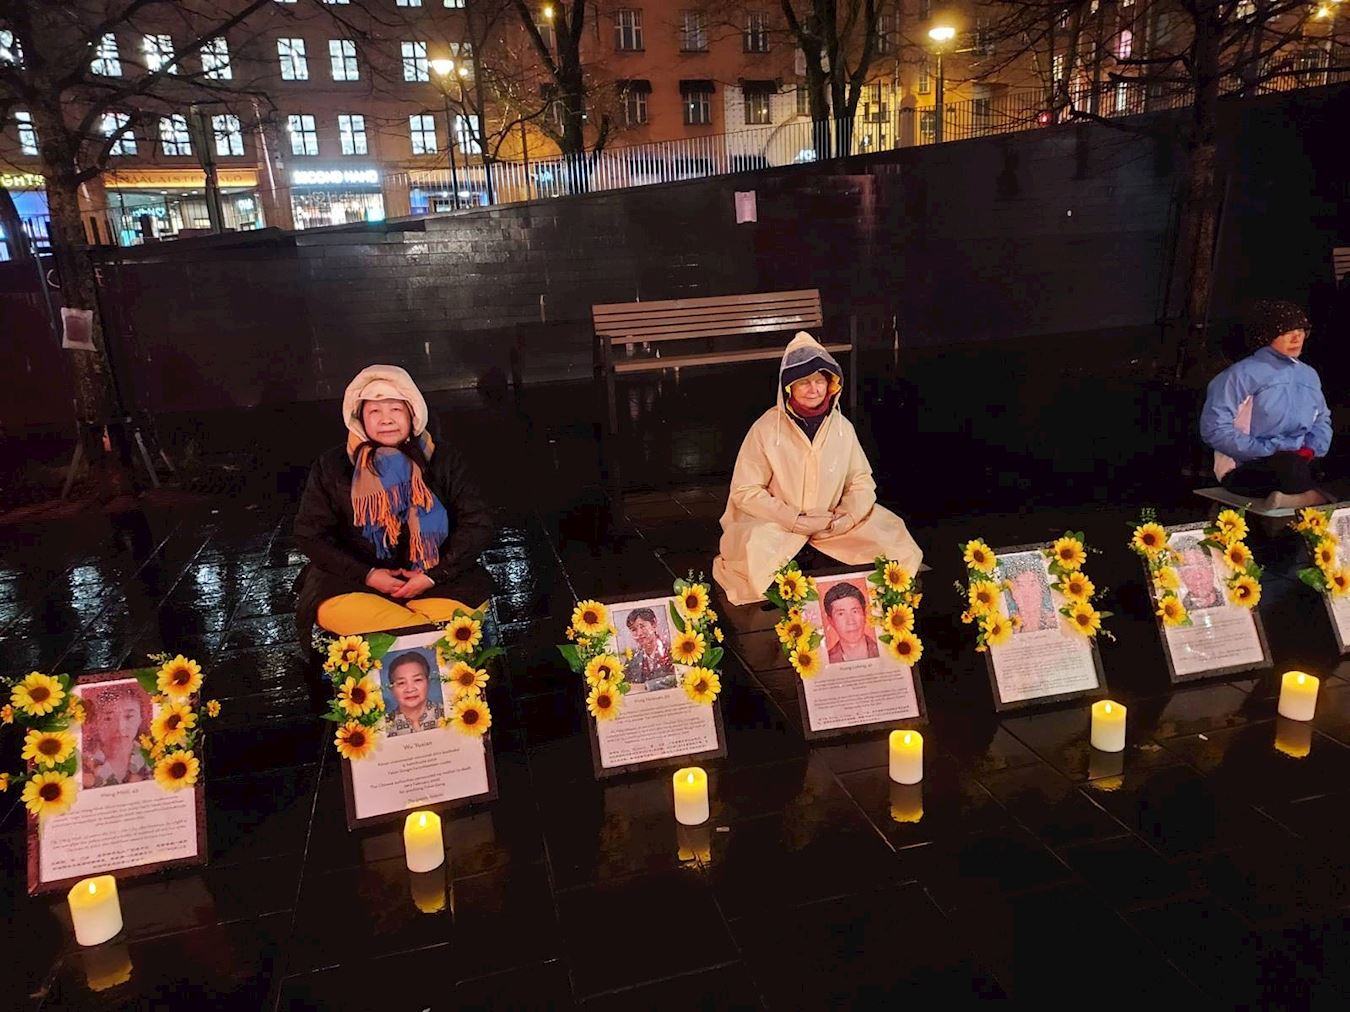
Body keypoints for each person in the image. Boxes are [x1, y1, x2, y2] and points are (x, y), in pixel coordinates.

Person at [713, 332, 923, 606]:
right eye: (804, 382)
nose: (813, 389)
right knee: (756, 548)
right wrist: (793, 519)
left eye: (819, 381)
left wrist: (846, 517)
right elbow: (746, 490)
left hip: (832, 524)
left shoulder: (842, 428)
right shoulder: (766, 429)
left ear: (831, 384)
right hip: (780, 525)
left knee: (894, 539)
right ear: (789, 387)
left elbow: (861, 482)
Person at [293, 365, 495, 640]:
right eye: (375, 411)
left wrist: (433, 575)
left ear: (413, 413)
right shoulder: (332, 465)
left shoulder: (444, 458)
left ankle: (403, 638)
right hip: (355, 581)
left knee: (459, 608)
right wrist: (369, 575)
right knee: (334, 609)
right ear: (359, 419)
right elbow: (311, 534)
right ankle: (434, 640)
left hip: (440, 579)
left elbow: (477, 524)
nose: (386, 420)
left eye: (396, 409)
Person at [1200, 300, 1332, 503]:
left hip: (1299, 462)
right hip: (1246, 466)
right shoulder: (1240, 375)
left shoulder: (1309, 375)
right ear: (1266, 335)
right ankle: (1308, 499)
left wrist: (1311, 450)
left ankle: (1300, 498)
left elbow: (1322, 420)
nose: (1296, 337)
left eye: (1301, 330)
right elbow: (1214, 428)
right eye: (1286, 331)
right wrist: (1269, 450)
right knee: (1288, 466)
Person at [82, 685, 153, 789]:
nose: (120, 727)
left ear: (140, 719)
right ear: (96, 722)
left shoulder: (154, 757)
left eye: (129, 716)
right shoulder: (83, 764)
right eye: (108, 718)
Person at [384, 651, 443, 736]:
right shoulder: (383, 727)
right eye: (401, 683)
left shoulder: (448, 714)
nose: (410, 689)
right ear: (392, 689)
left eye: (417, 680)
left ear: (428, 682)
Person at [622, 608, 677, 690]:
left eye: (642, 626)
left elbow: (681, 677)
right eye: (634, 630)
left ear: (654, 624)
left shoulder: (673, 650)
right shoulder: (632, 658)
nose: (639, 633)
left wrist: (647, 686)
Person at [823, 582, 879, 663]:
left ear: (865, 614)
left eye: (855, 611)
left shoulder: (884, 651)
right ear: (831, 621)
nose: (850, 621)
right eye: (841, 614)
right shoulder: (826, 661)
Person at [1001, 554, 1056, 634]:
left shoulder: (1053, 621)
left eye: (1032, 584)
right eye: (1020, 585)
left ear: (1042, 586)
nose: (1027, 593)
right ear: (1012, 591)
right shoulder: (1006, 625)